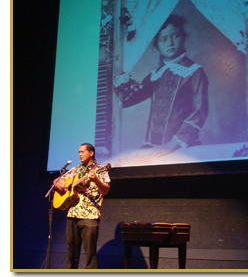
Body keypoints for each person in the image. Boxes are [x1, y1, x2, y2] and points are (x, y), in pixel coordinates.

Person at [114, 14, 209, 159]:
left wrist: (173, 144)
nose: (170, 43)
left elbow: (200, 111)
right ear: (157, 45)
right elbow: (128, 100)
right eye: (163, 39)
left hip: (180, 147)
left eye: (175, 36)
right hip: (153, 147)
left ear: (183, 37)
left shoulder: (194, 71)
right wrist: (121, 82)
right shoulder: (155, 75)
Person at [52, 143, 110, 269]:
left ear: (91, 153)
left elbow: (105, 190)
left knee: (90, 254)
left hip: (90, 216)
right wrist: (58, 185)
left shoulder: (100, 169)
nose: (80, 154)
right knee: (71, 254)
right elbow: (56, 181)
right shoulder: (76, 169)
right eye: (79, 152)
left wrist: (95, 180)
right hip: (72, 214)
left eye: (82, 152)